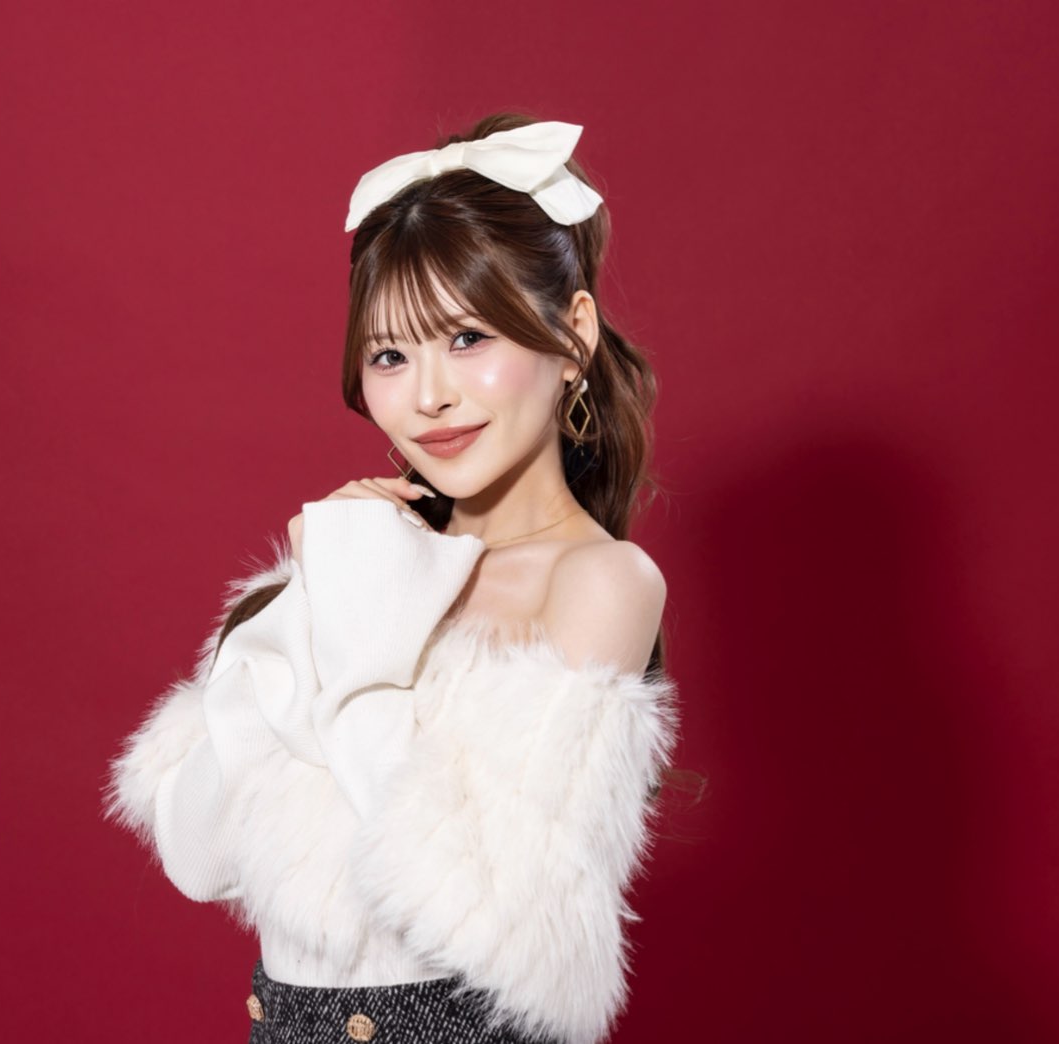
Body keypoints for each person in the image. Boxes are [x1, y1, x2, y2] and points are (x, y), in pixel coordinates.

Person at [103, 112, 683, 1044]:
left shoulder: (600, 582)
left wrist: (356, 618)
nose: (428, 396)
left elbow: (479, 901)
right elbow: (196, 853)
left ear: (572, 336)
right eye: (389, 355)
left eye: (468, 338)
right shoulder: (359, 566)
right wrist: (310, 598)